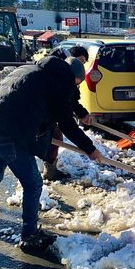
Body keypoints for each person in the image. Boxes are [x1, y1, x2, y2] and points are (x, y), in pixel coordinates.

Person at [0, 57, 104, 253]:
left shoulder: (34, 71)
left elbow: (67, 100)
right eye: (77, 83)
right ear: (72, 77)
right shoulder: (58, 83)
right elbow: (67, 124)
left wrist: (81, 112)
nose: (76, 87)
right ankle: (29, 236)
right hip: (9, 134)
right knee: (33, 183)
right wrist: (91, 149)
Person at [43, 45, 92, 180]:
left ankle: (50, 167)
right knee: (54, 134)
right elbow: (67, 121)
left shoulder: (66, 71)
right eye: (81, 61)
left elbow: (72, 98)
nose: (82, 65)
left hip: (49, 109)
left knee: (55, 135)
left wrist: (82, 113)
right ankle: (49, 169)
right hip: (43, 112)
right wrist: (91, 149)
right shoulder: (61, 72)